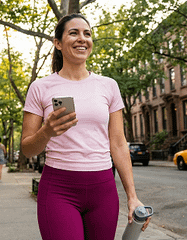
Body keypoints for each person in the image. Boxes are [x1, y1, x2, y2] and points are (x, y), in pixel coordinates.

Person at [21, 13, 151, 240]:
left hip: (103, 190)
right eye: (74, 33)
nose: (82, 38)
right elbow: (27, 148)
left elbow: (118, 143)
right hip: (58, 189)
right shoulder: (40, 87)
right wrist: (47, 131)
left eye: (87, 34)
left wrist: (132, 196)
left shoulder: (108, 86)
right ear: (58, 43)